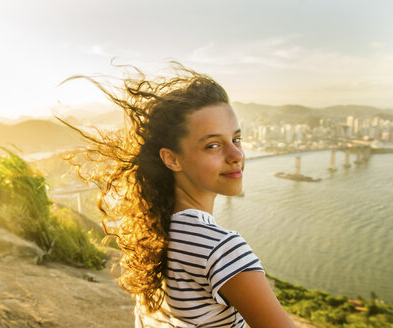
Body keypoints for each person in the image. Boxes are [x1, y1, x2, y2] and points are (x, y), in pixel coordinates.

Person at [57, 62, 295, 327]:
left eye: (236, 139)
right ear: (172, 159)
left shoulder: (151, 235)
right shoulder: (221, 250)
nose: (236, 155)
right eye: (213, 145)